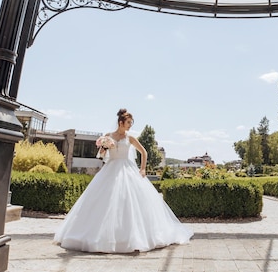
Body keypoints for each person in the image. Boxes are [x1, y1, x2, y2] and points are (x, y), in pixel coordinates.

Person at [54, 108, 193, 253]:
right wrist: (103, 147)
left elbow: (144, 152)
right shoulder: (108, 136)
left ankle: (133, 237)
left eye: (131, 123)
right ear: (121, 122)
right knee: (104, 201)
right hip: (110, 169)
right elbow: (101, 156)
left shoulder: (130, 138)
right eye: (128, 122)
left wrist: (143, 168)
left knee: (130, 201)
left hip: (128, 169)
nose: (130, 125)